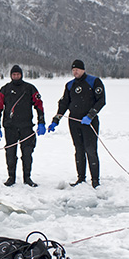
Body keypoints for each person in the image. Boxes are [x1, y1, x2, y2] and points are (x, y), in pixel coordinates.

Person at [47, 59, 106, 188]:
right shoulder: (70, 85)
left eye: (77, 70)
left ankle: (95, 180)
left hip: (89, 122)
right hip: (74, 121)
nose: (75, 72)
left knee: (90, 150)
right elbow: (64, 104)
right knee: (78, 149)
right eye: (73, 70)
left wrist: (90, 115)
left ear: (83, 69)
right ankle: (81, 178)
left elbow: (101, 101)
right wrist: (56, 119)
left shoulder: (94, 81)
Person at [0, 65, 46, 187]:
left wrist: (41, 122)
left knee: (27, 153)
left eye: (18, 74)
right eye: (14, 74)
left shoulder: (30, 88)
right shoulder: (5, 89)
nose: (16, 76)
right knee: (10, 153)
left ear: (21, 75)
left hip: (26, 127)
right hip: (10, 127)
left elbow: (39, 105)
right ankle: (11, 177)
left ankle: (27, 177)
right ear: (11, 75)